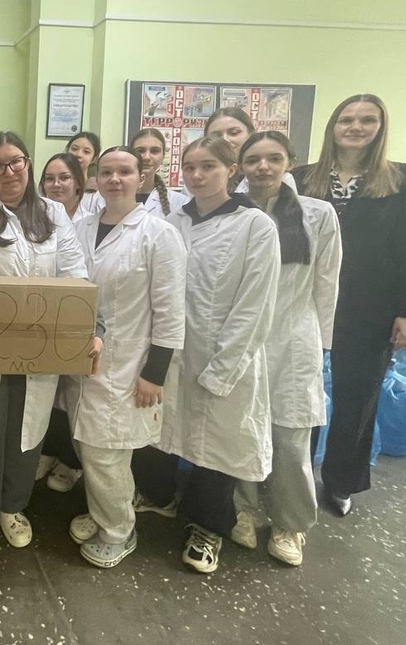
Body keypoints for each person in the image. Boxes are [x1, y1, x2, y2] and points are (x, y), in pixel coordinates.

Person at [0, 131, 99, 548]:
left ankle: (13, 505)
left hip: (41, 343)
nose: (8, 172)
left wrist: (93, 330)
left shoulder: (52, 212)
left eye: (16, 162)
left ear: (28, 164)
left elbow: (76, 275)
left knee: (27, 426)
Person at [293, 94, 406, 516]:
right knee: (299, 392)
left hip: (370, 305)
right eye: (347, 119)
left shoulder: (404, 180)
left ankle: (341, 482)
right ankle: (292, 475)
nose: (355, 127)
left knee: (357, 397)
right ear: (332, 127)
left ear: (381, 127)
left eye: (367, 120)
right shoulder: (302, 179)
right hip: (308, 301)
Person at [155, 136, 280, 574]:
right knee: (164, 434)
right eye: (189, 167)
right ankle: (159, 498)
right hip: (173, 350)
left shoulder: (255, 225)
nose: (196, 175)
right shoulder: (173, 221)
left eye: (208, 166)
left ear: (232, 169)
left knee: (217, 448)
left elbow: (255, 305)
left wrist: (224, 367)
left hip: (225, 354)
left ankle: (208, 528)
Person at [67, 147, 186, 569]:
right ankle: (103, 509)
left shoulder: (159, 234)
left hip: (128, 362)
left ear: (142, 177)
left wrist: (156, 372)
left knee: (107, 452)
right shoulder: (80, 228)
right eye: (106, 172)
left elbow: (171, 310)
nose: (114, 179)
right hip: (79, 360)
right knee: (87, 445)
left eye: (124, 171)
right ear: (95, 178)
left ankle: (119, 530)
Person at [231, 132, 341, 566]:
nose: (263, 167)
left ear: (290, 162)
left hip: (294, 337)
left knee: (291, 437)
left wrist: (324, 345)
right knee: (240, 426)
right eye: (253, 159)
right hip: (243, 336)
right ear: (241, 166)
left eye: (273, 158)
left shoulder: (317, 214)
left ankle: (290, 524)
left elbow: (327, 283)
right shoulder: (233, 211)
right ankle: (241, 510)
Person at [34, 152, 91, 493]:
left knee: (75, 393)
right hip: (45, 315)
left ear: (78, 183)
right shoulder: (37, 216)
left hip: (78, 313)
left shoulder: (90, 221)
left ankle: (71, 462)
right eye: (50, 178)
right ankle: (50, 451)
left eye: (64, 177)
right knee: (51, 393)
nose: (56, 184)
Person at [204, 108, 296, 193]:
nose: (225, 140)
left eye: (234, 133)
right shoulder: (199, 175)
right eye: (216, 136)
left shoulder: (277, 176)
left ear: (251, 134)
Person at [128, 128, 188, 218]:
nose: (147, 157)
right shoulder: (111, 197)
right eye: (140, 151)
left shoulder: (179, 202)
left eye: (154, 151)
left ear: (163, 156)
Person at [66, 131, 102, 212]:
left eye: (86, 152)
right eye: (74, 149)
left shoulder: (97, 191)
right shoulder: (54, 182)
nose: (78, 154)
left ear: (94, 158)